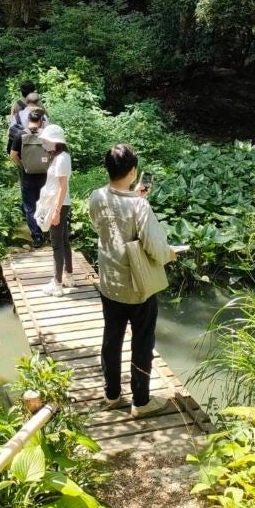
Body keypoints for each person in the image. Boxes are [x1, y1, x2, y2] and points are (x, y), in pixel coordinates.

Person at [88, 143, 176, 418]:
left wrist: (133, 196)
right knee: (142, 342)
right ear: (133, 170)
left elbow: (100, 225)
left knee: (111, 338)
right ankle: (141, 401)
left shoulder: (97, 196)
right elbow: (154, 246)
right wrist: (170, 254)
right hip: (139, 288)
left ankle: (112, 394)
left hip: (109, 283)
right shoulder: (140, 205)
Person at [36, 124, 73, 297]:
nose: (44, 143)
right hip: (59, 203)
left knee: (57, 244)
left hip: (58, 204)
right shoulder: (59, 157)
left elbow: (62, 187)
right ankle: (68, 275)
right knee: (64, 241)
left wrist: (56, 211)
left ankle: (57, 283)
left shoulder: (62, 158)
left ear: (56, 142)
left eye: (47, 140)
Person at [10, 108, 49, 247]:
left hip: (27, 177)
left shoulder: (20, 134)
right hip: (44, 176)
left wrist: (23, 166)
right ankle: (46, 231)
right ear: (40, 121)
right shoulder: (47, 135)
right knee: (43, 204)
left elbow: (13, 156)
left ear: (28, 121)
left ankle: (37, 236)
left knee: (29, 207)